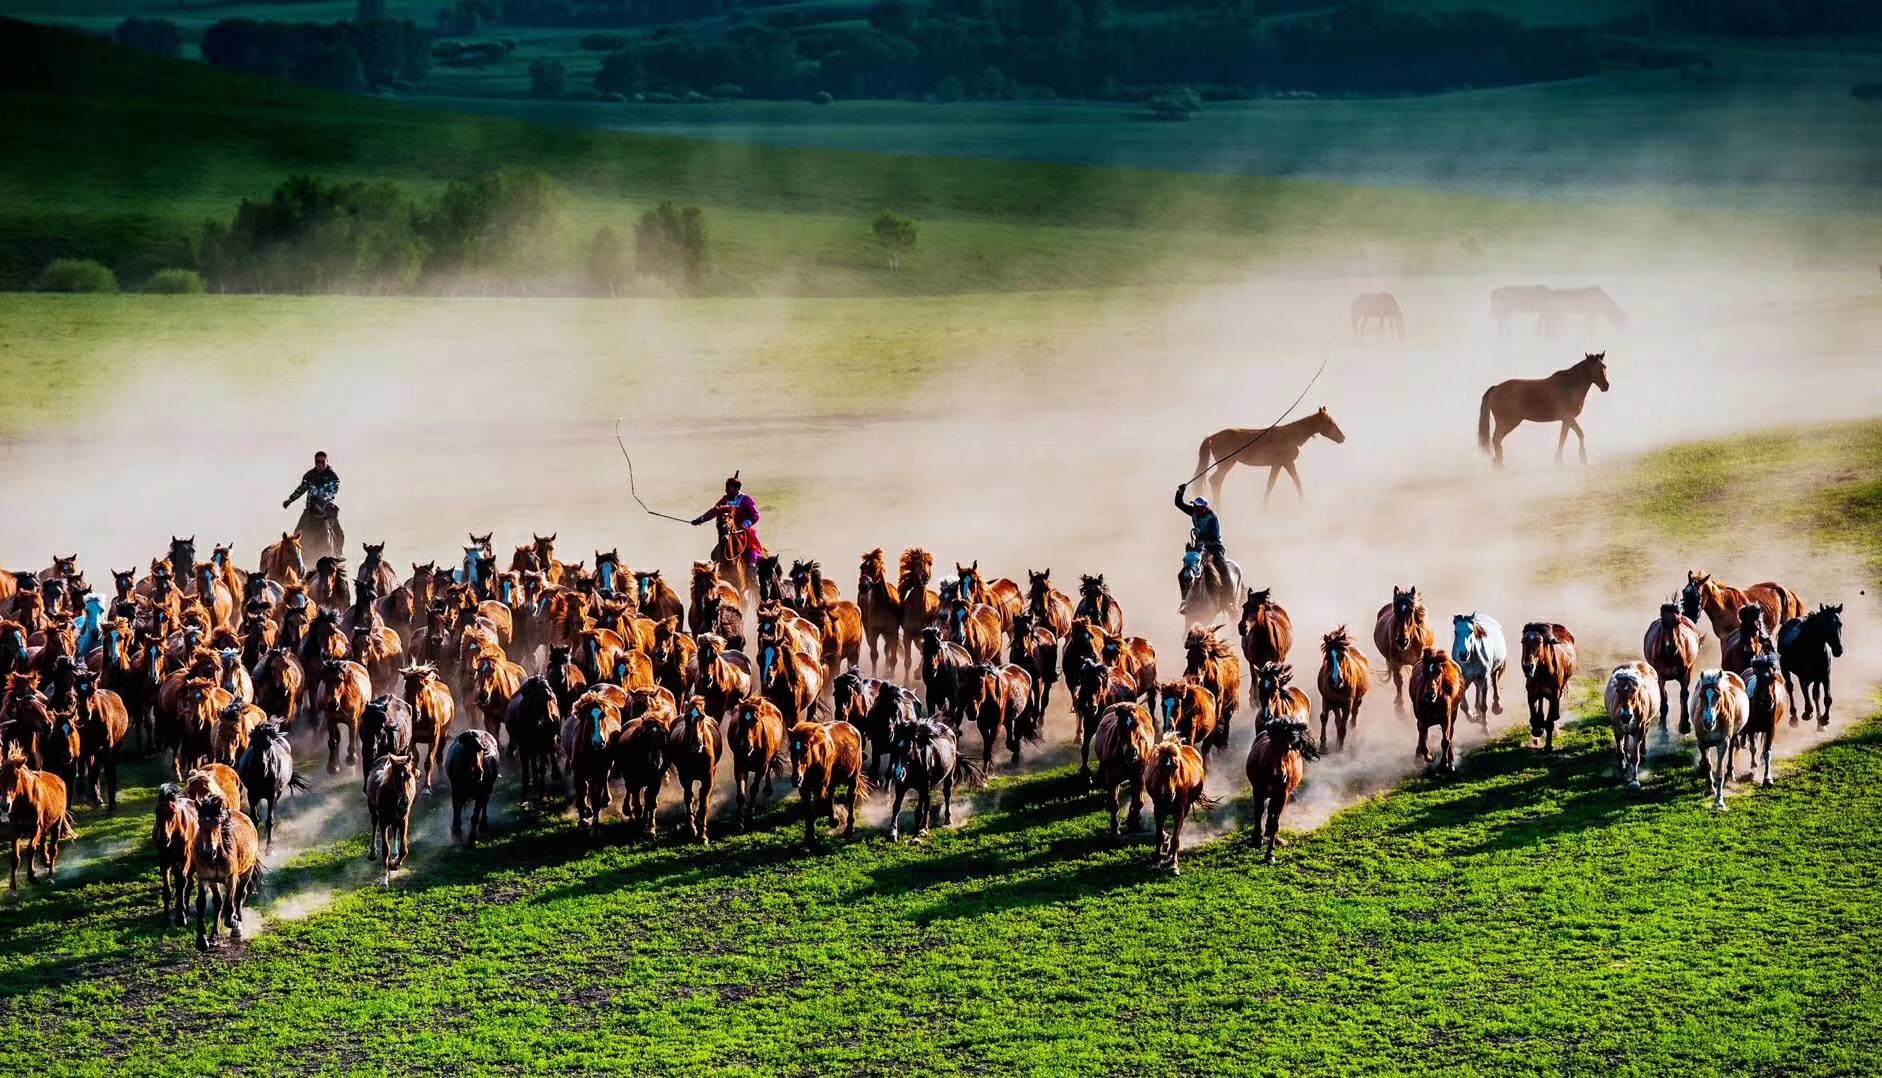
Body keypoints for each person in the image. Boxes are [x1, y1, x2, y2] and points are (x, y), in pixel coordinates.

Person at [691, 472, 766, 565]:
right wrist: (700, 519)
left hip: (742, 532)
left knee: (751, 554)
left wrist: (745, 524)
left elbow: (755, 515)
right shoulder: (725, 499)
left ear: (737, 489)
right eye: (726, 489)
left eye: (729, 490)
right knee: (714, 554)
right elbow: (714, 511)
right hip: (727, 531)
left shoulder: (746, 499)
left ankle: (752, 577)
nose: (727, 492)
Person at [1174, 483, 1227, 611]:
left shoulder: (1212, 519)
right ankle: (1185, 600)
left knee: (1223, 570)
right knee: (1184, 572)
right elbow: (1179, 504)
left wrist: (1201, 533)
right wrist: (1180, 492)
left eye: (1198, 507)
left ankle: (1228, 601)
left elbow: (1214, 536)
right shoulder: (1194, 512)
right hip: (1200, 548)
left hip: (1214, 548)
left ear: (1204, 508)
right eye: (1194, 506)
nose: (1195, 508)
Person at [283, 450, 344, 561]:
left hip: (326, 510)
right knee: (297, 531)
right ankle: (293, 554)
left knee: (338, 532)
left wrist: (323, 500)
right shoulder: (309, 475)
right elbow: (301, 489)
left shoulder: (333, 476)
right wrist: (290, 499)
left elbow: (332, 492)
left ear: (327, 461)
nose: (320, 464)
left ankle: (338, 553)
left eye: (322, 461)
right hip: (310, 510)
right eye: (317, 461)